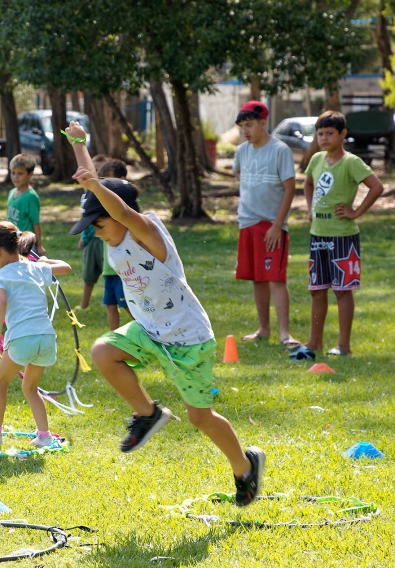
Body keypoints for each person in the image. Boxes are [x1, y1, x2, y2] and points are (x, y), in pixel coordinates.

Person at [64, 121, 265, 507]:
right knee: (103, 351)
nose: (95, 231)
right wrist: (79, 145)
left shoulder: (147, 232)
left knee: (200, 418)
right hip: (151, 330)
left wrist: (94, 187)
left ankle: (245, 467)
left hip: (188, 338)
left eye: (98, 223)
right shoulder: (113, 240)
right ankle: (147, 413)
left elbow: (120, 210)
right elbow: (95, 190)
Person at [290, 111, 384, 359]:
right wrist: (310, 208)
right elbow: (308, 183)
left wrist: (356, 212)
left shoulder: (351, 162)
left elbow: (376, 187)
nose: (324, 138)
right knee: (316, 289)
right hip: (317, 235)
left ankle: (343, 346)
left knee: (342, 290)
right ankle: (314, 342)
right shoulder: (317, 159)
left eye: (330, 133)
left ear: (343, 134)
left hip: (343, 237)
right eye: (320, 133)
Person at [0, 221, 72, 447]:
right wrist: (43, 261)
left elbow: (0, 301)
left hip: (22, 338)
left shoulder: (0, 277)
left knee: (1, 382)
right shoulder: (36, 268)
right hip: (46, 339)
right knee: (29, 387)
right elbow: (66, 267)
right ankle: (44, 437)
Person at [232, 100, 299, 348]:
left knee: (276, 278)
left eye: (249, 125)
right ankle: (264, 329)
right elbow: (239, 174)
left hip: (271, 225)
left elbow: (290, 189)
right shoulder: (242, 151)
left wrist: (276, 224)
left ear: (263, 122)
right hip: (247, 223)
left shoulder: (280, 150)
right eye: (242, 127)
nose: (246, 131)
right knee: (257, 278)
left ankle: (284, 332)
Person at [93, 158, 132, 330]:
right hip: (109, 268)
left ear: (122, 179)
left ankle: (147, 330)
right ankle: (114, 335)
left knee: (126, 304)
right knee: (110, 304)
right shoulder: (103, 210)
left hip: (124, 269)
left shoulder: (129, 212)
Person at [6, 154, 45, 255]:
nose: (15, 177)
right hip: (12, 241)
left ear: (30, 174)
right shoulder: (11, 193)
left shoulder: (31, 197)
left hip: (26, 244)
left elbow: (36, 223)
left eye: (20, 173)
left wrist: (39, 245)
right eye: (13, 173)